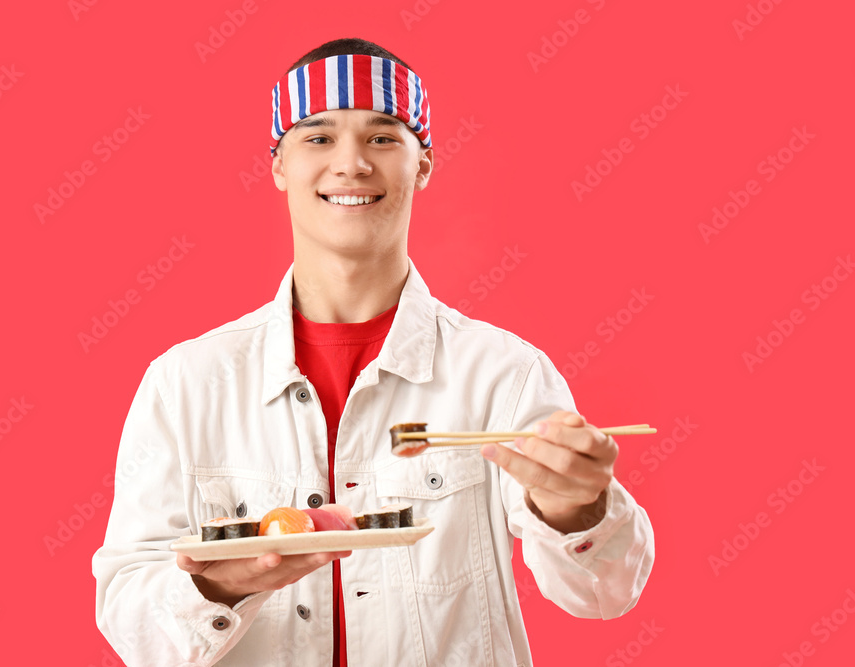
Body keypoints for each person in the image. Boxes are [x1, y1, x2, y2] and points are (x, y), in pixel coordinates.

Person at [92, 37, 654, 667]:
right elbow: (129, 620)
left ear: (424, 163)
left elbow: (604, 593)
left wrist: (578, 508)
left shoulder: (506, 375)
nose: (352, 163)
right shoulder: (186, 383)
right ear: (278, 165)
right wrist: (220, 584)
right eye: (318, 137)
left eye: (383, 137)